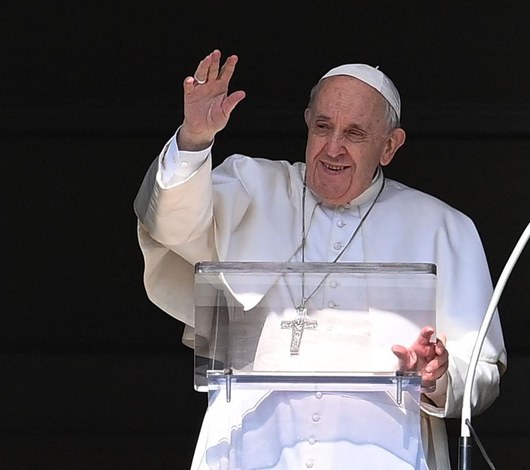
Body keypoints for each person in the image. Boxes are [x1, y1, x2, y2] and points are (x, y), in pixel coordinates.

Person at [134, 49, 507, 469]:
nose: (333, 148)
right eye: (323, 127)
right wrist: (195, 139)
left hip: (384, 454)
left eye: (354, 134)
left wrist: (438, 375)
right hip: (249, 449)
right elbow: (169, 224)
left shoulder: (442, 227)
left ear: (389, 146)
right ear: (307, 123)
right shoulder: (251, 187)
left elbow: (482, 371)